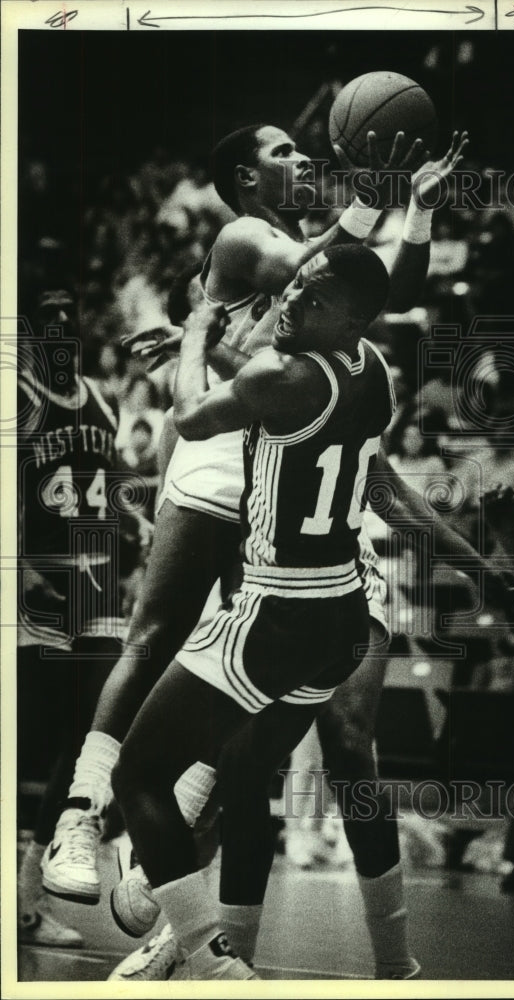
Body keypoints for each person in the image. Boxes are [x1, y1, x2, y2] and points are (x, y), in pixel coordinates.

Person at [42, 122, 466, 977]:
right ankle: (83, 817)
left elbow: (368, 287)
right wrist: (373, 188)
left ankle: (185, 920)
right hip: (221, 465)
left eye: (306, 152)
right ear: (242, 177)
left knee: (253, 744)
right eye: (283, 153)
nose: (303, 160)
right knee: (157, 642)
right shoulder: (248, 238)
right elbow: (317, 268)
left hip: (283, 499)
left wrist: (412, 210)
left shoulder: (331, 320)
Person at [110, 246, 399, 980]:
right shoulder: (371, 369)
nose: (294, 295)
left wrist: (199, 328)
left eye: (315, 294)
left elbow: (190, 415)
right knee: (243, 772)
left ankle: (215, 963)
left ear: (352, 316)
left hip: (279, 607)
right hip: (339, 611)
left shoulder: (282, 374)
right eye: (294, 283)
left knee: (140, 776)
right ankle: (207, 935)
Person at [16, 287, 123, 947]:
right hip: (37, 588)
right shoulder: (23, 397)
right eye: (46, 314)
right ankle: (21, 899)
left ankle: (32, 891)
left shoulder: (104, 399)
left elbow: (106, 487)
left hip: (94, 587)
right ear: (29, 330)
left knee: (86, 739)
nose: (60, 323)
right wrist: (23, 570)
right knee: (30, 745)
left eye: (68, 312)